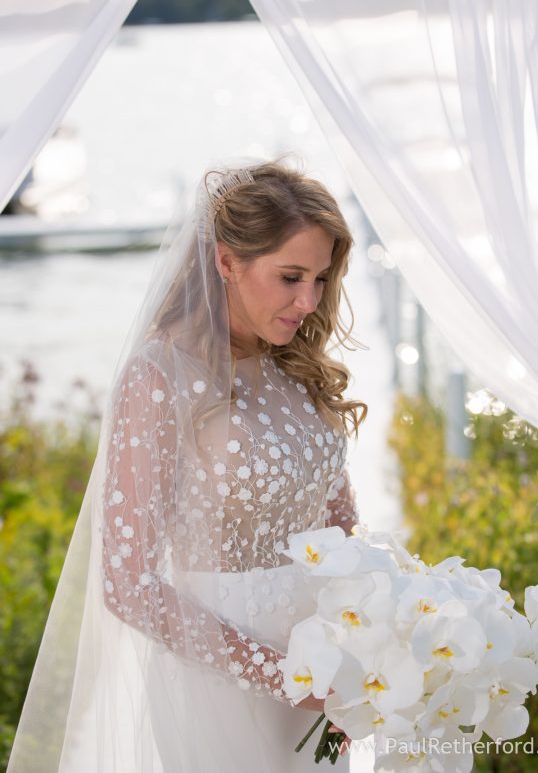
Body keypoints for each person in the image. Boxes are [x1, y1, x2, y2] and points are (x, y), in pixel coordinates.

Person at [7, 158, 368, 772]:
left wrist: (377, 625)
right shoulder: (160, 377)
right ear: (227, 261)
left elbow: (341, 524)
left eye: (320, 278)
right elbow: (129, 585)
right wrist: (283, 676)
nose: (309, 301)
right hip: (219, 683)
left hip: (326, 674)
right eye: (290, 277)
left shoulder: (295, 361)